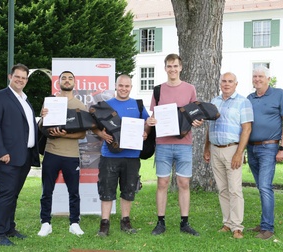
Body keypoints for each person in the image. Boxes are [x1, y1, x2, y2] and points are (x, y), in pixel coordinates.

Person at [0, 63, 40, 246]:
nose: (20, 80)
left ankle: (9, 228)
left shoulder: (24, 99)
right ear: (10, 77)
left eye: (24, 78)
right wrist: (1, 152)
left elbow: (25, 126)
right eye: (17, 77)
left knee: (13, 194)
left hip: (23, 156)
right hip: (6, 157)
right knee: (6, 193)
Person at [148, 53, 203, 236]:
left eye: (175, 66)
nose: (172, 69)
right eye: (169, 66)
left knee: (183, 183)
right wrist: (152, 121)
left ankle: (184, 222)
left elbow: (195, 114)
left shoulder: (190, 89)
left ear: (181, 68)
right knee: (162, 183)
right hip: (163, 143)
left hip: (184, 144)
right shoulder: (158, 90)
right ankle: (160, 222)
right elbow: (153, 116)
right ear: (165, 68)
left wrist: (197, 122)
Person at [94, 74, 150, 236]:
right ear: (116, 86)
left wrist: (146, 132)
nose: (124, 89)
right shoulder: (105, 105)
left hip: (132, 156)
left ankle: (126, 221)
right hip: (109, 155)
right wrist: (101, 134)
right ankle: (104, 224)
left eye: (127, 86)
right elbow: (93, 125)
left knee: (128, 189)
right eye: (121, 85)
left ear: (131, 87)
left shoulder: (138, 105)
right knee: (106, 189)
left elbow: (147, 123)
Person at [203, 72, 253, 239]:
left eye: (230, 81)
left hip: (232, 150)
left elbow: (247, 129)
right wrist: (207, 148)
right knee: (222, 189)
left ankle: (237, 226)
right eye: (224, 81)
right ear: (220, 83)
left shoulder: (243, 102)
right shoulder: (214, 102)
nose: (226, 84)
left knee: (235, 189)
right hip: (215, 149)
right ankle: (227, 223)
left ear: (236, 84)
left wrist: (239, 153)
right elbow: (210, 127)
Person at [37, 71, 86, 237]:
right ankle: (45, 223)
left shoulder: (80, 105)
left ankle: (74, 223)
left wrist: (64, 135)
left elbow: (82, 134)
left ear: (74, 82)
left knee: (74, 192)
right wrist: (43, 117)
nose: (67, 80)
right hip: (51, 152)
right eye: (64, 78)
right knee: (46, 191)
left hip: (71, 156)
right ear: (58, 82)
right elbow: (41, 128)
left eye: (70, 78)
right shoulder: (50, 102)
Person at [246, 66, 283, 239]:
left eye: (261, 76)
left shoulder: (279, 94)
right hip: (251, 148)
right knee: (261, 186)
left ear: (268, 79)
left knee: (265, 186)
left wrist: (282, 147)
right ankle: (264, 222)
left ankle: (268, 228)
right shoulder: (249, 98)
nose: (257, 79)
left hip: (269, 147)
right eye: (254, 76)